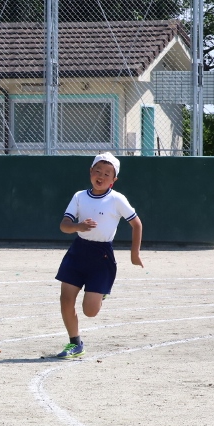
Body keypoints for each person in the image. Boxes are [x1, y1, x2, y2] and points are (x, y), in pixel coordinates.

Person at [55, 152, 143, 359]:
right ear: (90, 172)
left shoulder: (116, 199)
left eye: (107, 173)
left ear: (114, 180)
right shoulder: (79, 196)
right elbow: (64, 226)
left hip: (102, 257)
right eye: (98, 171)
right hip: (77, 253)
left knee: (90, 311)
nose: (101, 176)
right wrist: (79, 226)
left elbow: (136, 224)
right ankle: (75, 343)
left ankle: (100, 293)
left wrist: (134, 253)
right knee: (66, 299)